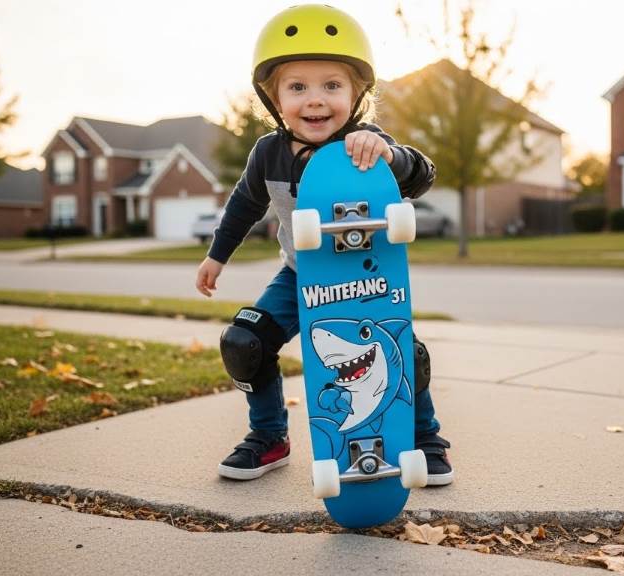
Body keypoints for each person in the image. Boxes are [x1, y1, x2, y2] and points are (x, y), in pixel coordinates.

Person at [194, 4, 453, 487]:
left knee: (404, 352)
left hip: (368, 276)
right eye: (298, 87)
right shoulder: (267, 154)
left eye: (332, 85)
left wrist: (391, 156)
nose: (316, 100)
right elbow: (244, 205)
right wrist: (217, 255)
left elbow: (421, 174)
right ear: (272, 98)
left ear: (358, 94)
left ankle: (424, 436)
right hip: (300, 275)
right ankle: (269, 436)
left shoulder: (365, 144)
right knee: (244, 342)